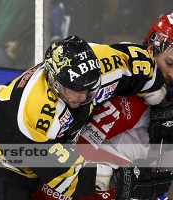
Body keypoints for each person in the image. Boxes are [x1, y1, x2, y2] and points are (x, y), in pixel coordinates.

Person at [0, 35, 172, 200]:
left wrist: (161, 106)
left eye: (90, 88)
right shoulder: (38, 116)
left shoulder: (106, 63)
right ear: (53, 81)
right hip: (1, 162)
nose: (83, 98)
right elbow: (68, 178)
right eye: (74, 91)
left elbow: (142, 65)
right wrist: (120, 180)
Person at [31, 11, 173, 200]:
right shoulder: (133, 91)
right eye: (169, 62)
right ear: (151, 47)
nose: (172, 74)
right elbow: (82, 146)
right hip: (87, 185)